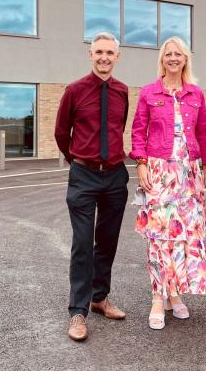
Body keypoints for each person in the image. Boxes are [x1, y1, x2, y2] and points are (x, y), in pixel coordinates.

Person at [130, 36, 206, 330]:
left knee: (183, 236)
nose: (173, 58)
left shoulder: (195, 93)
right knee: (159, 237)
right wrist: (141, 163)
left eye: (178, 54)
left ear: (185, 59)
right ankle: (157, 297)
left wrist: (205, 166)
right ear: (162, 59)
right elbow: (138, 130)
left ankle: (174, 295)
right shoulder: (149, 92)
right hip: (159, 171)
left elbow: (203, 133)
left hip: (189, 174)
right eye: (169, 54)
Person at [55, 32, 131, 342]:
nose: (104, 57)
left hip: (114, 175)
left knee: (108, 240)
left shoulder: (123, 91)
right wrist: (77, 160)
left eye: (109, 52)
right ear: (90, 55)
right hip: (84, 175)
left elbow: (119, 127)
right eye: (99, 51)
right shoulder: (74, 91)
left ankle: (100, 297)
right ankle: (78, 311)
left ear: (117, 57)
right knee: (83, 243)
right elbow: (62, 133)